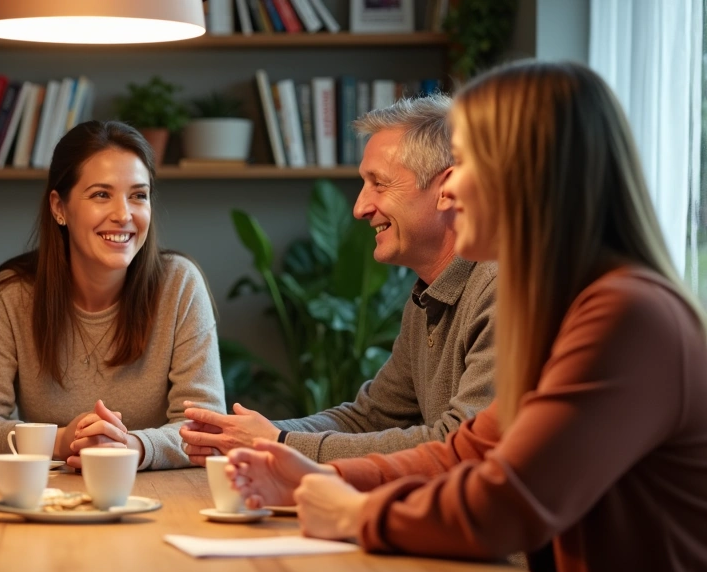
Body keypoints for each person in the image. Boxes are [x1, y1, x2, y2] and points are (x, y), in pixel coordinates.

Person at [226, 61, 707, 572]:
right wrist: (315, 476)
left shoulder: (626, 313)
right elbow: (468, 451)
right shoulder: (569, 305)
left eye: (468, 161)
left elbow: (510, 500)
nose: (448, 187)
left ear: (526, 173)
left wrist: (356, 512)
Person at [180, 95, 497, 464]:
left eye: (378, 184)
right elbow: (368, 418)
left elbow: (459, 444)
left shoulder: (502, 287)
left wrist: (279, 443)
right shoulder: (427, 296)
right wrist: (248, 435)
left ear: (447, 188)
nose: (360, 207)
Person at [0, 120, 225, 470]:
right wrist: (62, 440)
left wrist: (132, 447)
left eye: (138, 195)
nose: (124, 214)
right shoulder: (13, 294)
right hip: (50, 501)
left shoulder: (179, 285)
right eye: (101, 194)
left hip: (160, 497)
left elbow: (206, 429)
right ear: (59, 207)